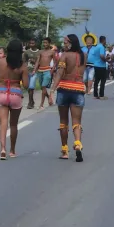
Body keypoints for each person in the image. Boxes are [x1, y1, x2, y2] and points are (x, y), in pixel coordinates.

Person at [49, 34, 86, 162]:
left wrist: (52, 90)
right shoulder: (83, 56)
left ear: (70, 43)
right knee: (77, 122)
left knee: (63, 121)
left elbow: (59, 73)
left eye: (65, 42)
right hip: (79, 89)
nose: (64, 44)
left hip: (64, 89)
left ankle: (64, 150)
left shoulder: (64, 55)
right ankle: (77, 144)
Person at [0, 39, 28, 160]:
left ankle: (2, 149)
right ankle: (12, 150)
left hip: (1, 93)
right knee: (13, 124)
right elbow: (26, 85)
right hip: (15, 94)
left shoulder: (1, 62)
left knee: (3, 123)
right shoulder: (22, 65)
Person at [34, 37, 56, 109]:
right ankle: (49, 97)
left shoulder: (52, 52)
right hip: (40, 71)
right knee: (42, 88)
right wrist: (34, 70)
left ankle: (41, 104)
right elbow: (37, 61)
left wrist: (52, 70)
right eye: (43, 42)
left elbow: (56, 62)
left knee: (43, 86)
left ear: (49, 43)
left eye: (46, 42)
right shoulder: (40, 52)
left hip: (47, 71)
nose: (45, 44)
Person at [23, 39, 40, 109]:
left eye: (33, 43)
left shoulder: (39, 52)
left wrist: (34, 61)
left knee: (31, 87)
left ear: (35, 44)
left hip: (35, 72)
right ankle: (32, 101)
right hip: (28, 71)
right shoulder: (27, 52)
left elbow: (40, 62)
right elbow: (24, 61)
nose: (32, 45)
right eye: (30, 43)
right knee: (28, 88)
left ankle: (30, 103)